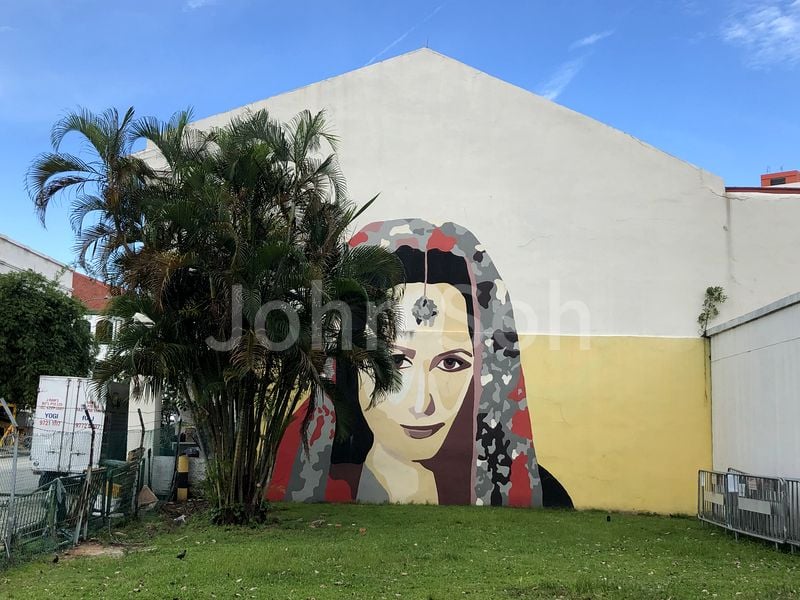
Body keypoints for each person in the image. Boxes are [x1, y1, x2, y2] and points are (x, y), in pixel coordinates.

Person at [267, 219, 571, 507]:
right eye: (396, 360)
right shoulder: (309, 481)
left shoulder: (548, 496)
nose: (422, 403)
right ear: (349, 363)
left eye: (451, 363)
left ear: (483, 369)